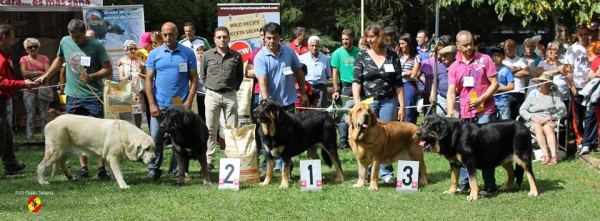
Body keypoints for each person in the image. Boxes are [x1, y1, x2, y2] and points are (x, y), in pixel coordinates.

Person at [38, 19, 113, 181]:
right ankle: (84, 168)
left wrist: (92, 76)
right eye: (72, 36)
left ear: (84, 32)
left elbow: (108, 69)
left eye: (77, 37)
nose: (74, 39)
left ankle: (101, 169)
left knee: (98, 134)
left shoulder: (96, 46)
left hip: (93, 97)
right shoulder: (65, 41)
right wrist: (46, 76)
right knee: (77, 135)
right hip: (73, 96)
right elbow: (59, 60)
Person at [446, 30, 499, 195]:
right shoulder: (454, 67)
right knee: (464, 149)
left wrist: (481, 99)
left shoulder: (485, 60)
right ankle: (465, 183)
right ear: (457, 46)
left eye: (471, 43)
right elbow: (451, 91)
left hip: (485, 111)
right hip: (465, 114)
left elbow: (495, 83)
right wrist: (450, 111)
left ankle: (489, 185)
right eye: (465, 45)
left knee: (486, 148)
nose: (470, 47)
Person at [144, 22, 198, 180]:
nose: (168, 37)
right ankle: (154, 170)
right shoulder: (154, 54)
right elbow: (148, 80)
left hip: (179, 107)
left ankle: (178, 170)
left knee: (179, 140)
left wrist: (188, 102)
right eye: (165, 34)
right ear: (161, 35)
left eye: (171, 34)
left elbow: (194, 80)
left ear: (177, 34)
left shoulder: (188, 53)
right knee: (155, 138)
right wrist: (152, 104)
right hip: (159, 105)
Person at [353, 24, 405, 184]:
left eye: (372, 36)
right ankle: (365, 174)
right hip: (368, 102)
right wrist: (357, 104)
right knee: (365, 135)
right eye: (367, 36)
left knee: (386, 136)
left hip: (389, 101)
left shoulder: (392, 55)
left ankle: (386, 172)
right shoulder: (362, 56)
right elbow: (356, 81)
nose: (369, 39)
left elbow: (398, 83)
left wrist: (401, 106)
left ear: (380, 36)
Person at [254, 22, 308, 172]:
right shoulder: (260, 57)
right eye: (268, 38)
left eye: (275, 38)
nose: (271, 41)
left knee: (289, 137)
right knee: (267, 138)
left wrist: (303, 93)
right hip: (269, 107)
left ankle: (286, 167)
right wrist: (266, 103)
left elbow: (298, 72)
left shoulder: (289, 52)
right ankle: (267, 168)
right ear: (264, 37)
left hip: (288, 101)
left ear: (280, 38)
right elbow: (262, 81)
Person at [200, 26, 243, 170]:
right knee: (211, 129)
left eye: (224, 37)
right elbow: (203, 75)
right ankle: (209, 160)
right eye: (219, 37)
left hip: (230, 94)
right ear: (214, 39)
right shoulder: (207, 55)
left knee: (231, 129)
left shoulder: (236, 56)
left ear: (229, 38)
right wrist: (210, 88)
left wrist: (232, 89)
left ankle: (231, 159)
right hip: (212, 95)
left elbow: (239, 76)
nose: (222, 39)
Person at [0, 24, 38, 179]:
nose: (13, 40)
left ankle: (11, 164)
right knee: (0, 133)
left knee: (7, 132)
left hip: (4, 98)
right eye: (11, 37)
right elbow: (1, 82)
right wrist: (23, 84)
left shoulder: (5, 55)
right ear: (4, 38)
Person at [520, 73, 567, 165]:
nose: (541, 83)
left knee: (547, 128)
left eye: (543, 81)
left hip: (550, 119)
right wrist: (532, 117)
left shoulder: (555, 95)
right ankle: (546, 155)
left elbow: (563, 111)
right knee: (538, 127)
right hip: (534, 120)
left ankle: (554, 156)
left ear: (549, 84)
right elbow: (522, 109)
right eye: (540, 81)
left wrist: (549, 117)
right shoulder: (533, 94)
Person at [565, 25, 597, 155]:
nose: (584, 37)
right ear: (577, 35)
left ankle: (591, 141)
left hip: (591, 86)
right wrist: (572, 87)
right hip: (578, 86)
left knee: (591, 116)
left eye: (585, 34)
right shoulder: (572, 49)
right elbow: (568, 70)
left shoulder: (594, 47)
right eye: (581, 35)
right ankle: (580, 140)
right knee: (578, 117)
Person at [331, 28, 360, 149]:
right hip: (345, 86)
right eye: (343, 39)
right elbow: (335, 73)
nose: (345, 41)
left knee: (358, 111)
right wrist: (336, 90)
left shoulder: (359, 52)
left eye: (347, 39)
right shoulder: (337, 53)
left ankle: (358, 137)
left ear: (352, 39)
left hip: (358, 84)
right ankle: (343, 139)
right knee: (344, 113)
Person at [245, 26, 267, 176]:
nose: (263, 39)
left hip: (276, 96)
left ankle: (277, 163)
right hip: (258, 95)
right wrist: (263, 71)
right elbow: (247, 72)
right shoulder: (255, 53)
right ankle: (261, 163)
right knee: (259, 130)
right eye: (261, 36)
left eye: (265, 35)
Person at [19, 38, 50, 140]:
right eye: (30, 47)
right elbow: (24, 73)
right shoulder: (23, 59)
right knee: (30, 114)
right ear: (26, 49)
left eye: (35, 46)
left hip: (43, 90)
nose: (33, 48)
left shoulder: (44, 58)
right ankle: (29, 139)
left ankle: (46, 138)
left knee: (44, 114)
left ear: (38, 47)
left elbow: (48, 72)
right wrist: (40, 73)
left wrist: (34, 75)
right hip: (29, 90)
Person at [118, 40, 146, 128]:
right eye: (131, 49)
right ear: (126, 50)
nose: (133, 51)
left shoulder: (139, 60)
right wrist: (126, 78)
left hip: (137, 91)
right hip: (126, 91)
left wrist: (143, 68)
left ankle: (138, 129)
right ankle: (125, 131)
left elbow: (145, 75)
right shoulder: (121, 61)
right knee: (126, 113)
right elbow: (121, 77)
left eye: (135, 49)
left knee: (138, 112)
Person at [426, 45, 459, 117]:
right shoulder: (440, 67)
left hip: (455, 99)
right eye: (442, 56)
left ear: (452, 56)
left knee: (455, 120)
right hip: (441, 97)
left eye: (445, 56)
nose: (442, 58)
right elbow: (435, 81)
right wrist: (432, 93)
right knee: (440, 119)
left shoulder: (459, 66)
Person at [299, 35, 331, 109]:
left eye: (316, 46)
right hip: (306, 87)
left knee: (321, 109)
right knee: (306, 108)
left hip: (321, 88)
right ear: (308, 46)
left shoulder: (325, 58)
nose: (314, 48)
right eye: (312, 45)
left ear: (319, 46)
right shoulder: (301, 58)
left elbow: (328, 75)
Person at [396, 33, 421, 123]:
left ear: (409, 43)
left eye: (403, 43)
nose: (401, 46)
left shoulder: (417, 57)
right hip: (397, 83)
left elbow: (413, 74)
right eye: (400, 43)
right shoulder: (398, 55)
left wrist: (401, 73)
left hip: (409, 84)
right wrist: (404, 73)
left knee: (408, 107)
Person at [502, 39, 530, 120]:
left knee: (518, 116)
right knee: (507, 117)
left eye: (510, 47)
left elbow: (526, 72)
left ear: (514, 47)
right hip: (506, 92)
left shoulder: (521, 60)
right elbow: (500, 73)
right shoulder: (501, 61)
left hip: (519, 91)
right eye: (506, 47)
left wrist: (508, 73)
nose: (508, 49)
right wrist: (518, 68)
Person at [491, 47, 515, 120]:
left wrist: (498, 88)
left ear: (503, 57)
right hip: (490, 101)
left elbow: (511, 86)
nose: (497, 57)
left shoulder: (506, 70)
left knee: (505, 124)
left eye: (499, 55)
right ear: (492, 57)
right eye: (495, 55)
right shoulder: (489, 69)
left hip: (503, 101)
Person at [195, 45, 207, 121]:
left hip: (207, 93)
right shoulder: (194, 65)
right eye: (198, 53)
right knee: (200, 113)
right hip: (198, 93)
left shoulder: (208, 64)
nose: (200, 55)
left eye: (202, 53)